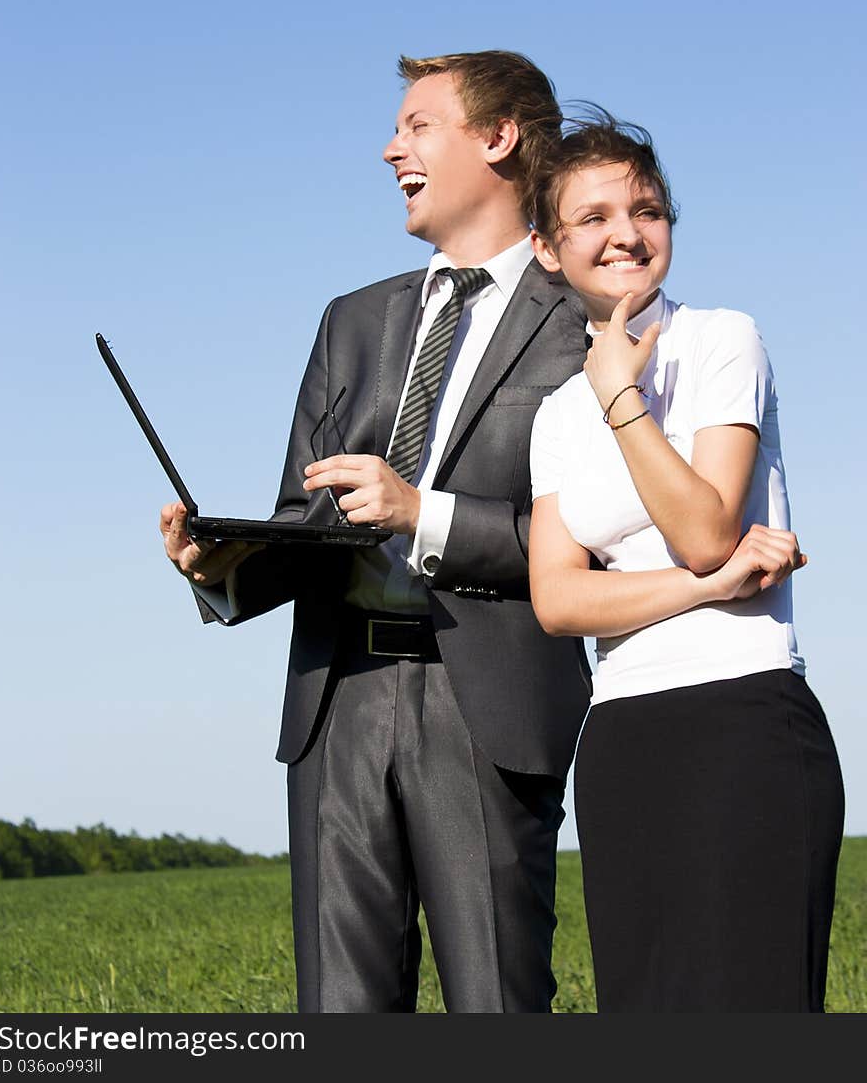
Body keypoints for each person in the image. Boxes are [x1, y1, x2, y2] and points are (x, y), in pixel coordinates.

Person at [159, 51, 593, 1013]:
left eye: (416, 124)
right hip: (334, 703)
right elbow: (305, 519)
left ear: (498, 138)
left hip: (487, 705)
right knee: (342, 1015)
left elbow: (592, 543)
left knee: (497, 1003)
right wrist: (219, 564)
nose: (390, 147)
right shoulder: (348, 320)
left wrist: (421, 512)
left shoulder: (584, 327)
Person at [526, 107, 845, 1013]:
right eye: (593, 218)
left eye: (647, 209)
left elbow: (702, 525)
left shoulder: (720, 340)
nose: (627, 233)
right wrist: (710, 583)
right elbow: (557, 600)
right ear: (549, 248)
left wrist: (622, 396)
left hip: (744, 721)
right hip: (624, 738)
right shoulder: (554, 415)